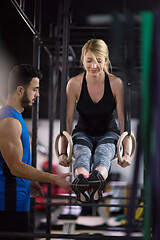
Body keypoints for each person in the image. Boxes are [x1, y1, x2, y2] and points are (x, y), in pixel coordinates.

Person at [0, 64, 72, 239]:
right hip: (8, 207)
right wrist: (54, 178)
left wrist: (27, 181)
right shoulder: (9, 121)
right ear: (20, 90)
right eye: (35, 89)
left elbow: (13, 165)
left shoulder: (16, 117)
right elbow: (15, 166)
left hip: (17, 202)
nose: (37, 94)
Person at [59, 39, 131, 203]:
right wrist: (63, 152)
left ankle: (97, 181)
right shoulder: (74, 84)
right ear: (83, 59)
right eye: (89, 60)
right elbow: (67, 120)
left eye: (99, 61)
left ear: (105, 60)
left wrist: (126, 153)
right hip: (83, 132)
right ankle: (82, 184)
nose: (94, 65)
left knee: (103, 152)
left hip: (109, 133)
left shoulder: (116, 84)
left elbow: (123, 121)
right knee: (82, 154)